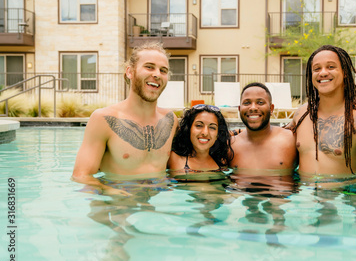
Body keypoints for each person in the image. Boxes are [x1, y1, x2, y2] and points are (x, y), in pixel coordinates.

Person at [71, 41, 178, 196]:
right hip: (116, 208)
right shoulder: (103, 118)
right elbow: (81, 176)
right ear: (130, 72)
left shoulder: (170, 120)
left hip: (154, 206)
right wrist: (112, 192)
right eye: (149, 67)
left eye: (163, 70)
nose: (157, 74)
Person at [290, 45, 356, 184]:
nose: (323, 73)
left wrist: (338, 186)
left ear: (344, 72)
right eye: (317, 69)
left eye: (331, 67)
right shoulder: (301, 114)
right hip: (306, 197)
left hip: (350, 195)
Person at [230, 82, 297, 173]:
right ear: (239, 109)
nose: (253, 107)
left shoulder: (291, 140)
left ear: (271, 108)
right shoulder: (231, 146)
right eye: (247, 103)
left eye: (260, 102)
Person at [167, 104, 234, 179]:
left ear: (217, 135)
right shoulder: (173, 158)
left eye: (212, 127)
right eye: (199, 125)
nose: (205, 133)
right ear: (188, 129)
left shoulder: (222, 164)